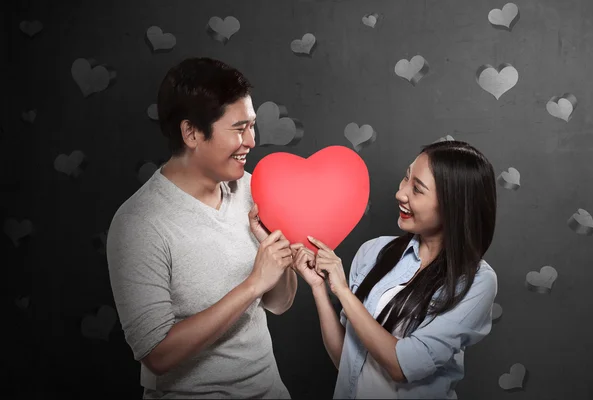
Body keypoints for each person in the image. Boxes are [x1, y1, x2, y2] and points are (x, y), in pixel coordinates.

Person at [106, 57, 297, 399]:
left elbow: (280, 303)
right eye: (239, 129)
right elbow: (157, 354)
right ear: (191, 133)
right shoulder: (139, 223)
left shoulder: (255, 190)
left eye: (252, 126)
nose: (252, 141)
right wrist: (252, 284)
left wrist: (277, 260)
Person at [291, 140, 499, 399]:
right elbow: (346, 360)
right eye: (406, 178)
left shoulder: (477, 281)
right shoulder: (373, 252)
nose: (400, 193)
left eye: (417, 189)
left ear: (453, 205)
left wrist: (343, 291)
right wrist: (320, 288)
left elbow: (402, 366)